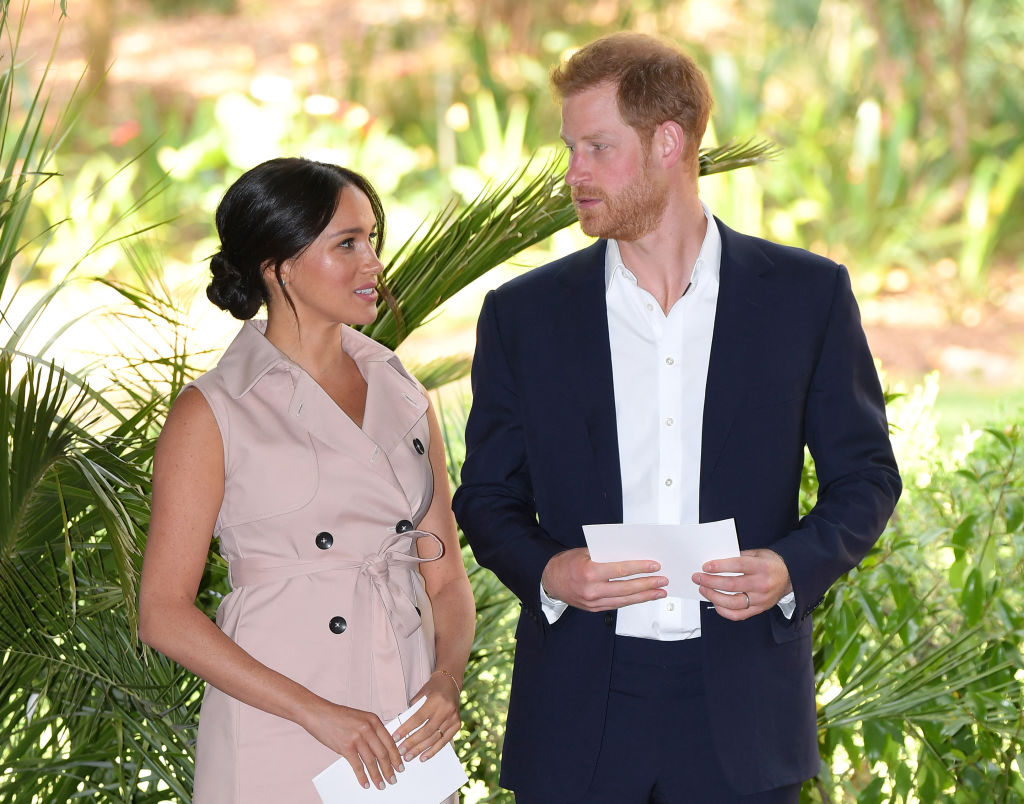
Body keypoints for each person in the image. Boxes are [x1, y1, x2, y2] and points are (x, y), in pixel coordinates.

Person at [452, 33, 901, 804]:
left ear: (669, 142)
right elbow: (486, 497)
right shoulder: (521, 315)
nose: (574, 174)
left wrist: (792, 566)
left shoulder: (806, 297)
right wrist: (549, 572)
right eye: (570, 148)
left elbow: (864, 478)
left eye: (597, 147)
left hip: (745, 712)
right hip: (577, 716)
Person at [139, 157, 475, 803]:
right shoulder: (213, 410)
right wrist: (313, 711)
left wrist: (444, 681)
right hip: (281, 719)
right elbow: (163, 614)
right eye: (347, 243)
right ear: (279, 264)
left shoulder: (400, 388)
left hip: (405, 715)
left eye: (372, 238)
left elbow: (447, 579)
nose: (373, 261)